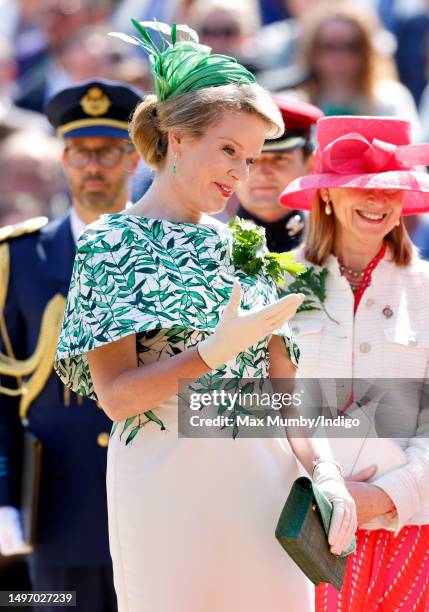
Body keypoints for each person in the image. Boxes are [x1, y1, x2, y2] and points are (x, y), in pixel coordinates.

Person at [54, 22, 357, 612]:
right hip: (166, 494)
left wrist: (324, 468)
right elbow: (117, 398)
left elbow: (283, 396)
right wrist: (210, 353)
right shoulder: (109, 244)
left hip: (266, 494)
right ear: (176, 137)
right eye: (228, 150)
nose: (241, 174)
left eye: (250, 157)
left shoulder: (244, 243)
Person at [0, 79, 141, 611]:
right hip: (57, 505)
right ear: (64, 159)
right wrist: (4, 496)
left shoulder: (166, 251)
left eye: (107, 152)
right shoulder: (21, 260)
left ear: (132, 160)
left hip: (149, 498)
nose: (93, 166)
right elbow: (4, 393)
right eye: (81, 152)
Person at [280, 115, 429, 611]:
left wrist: (387, 496)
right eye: (359, 186)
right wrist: (324, 486)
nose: (377, 200)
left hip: (409, 536)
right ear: (325, 194)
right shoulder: (278, 285)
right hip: (297, 531)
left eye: (391, 188)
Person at [294, 3, 422, 141]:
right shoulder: (297, 106)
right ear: (312, 52)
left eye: (352, 46)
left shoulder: (391, 100)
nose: (341, 57)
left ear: (367, 52)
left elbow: (411, 154)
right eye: (329, 46)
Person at [235, 96, 323, 251]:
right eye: (251, 160)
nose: (263, 173)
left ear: (311, 164)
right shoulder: (205, 244)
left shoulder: (330, 246)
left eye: (279, 158)